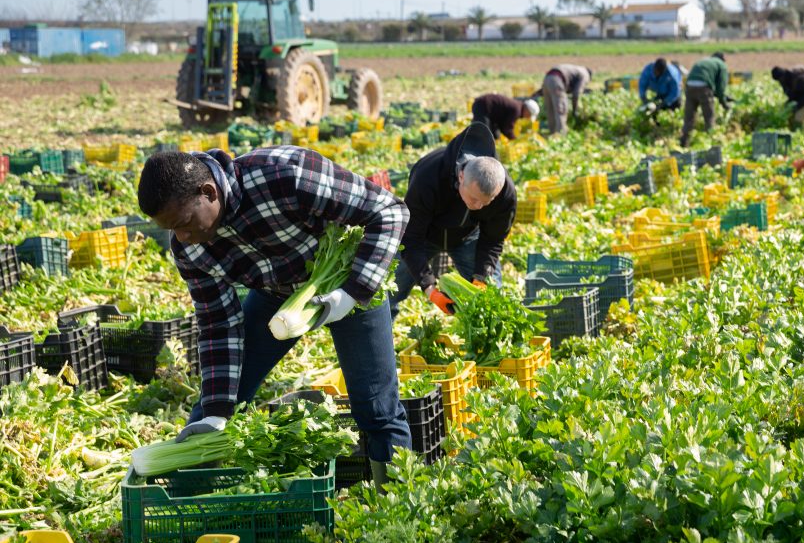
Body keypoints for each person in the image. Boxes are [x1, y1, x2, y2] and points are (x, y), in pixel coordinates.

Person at [137, 146, 411, 490]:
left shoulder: (284, 175)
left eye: (184, 224)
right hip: (275, 293)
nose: (182, 237)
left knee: (376, 408)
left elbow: (389, 211)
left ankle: (397, 500)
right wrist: (217, 410)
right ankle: (190, 502)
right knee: (215, 408)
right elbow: (218, 323)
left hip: (346, 277)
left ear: (208, 193)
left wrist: (354, 290)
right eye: (171, 230)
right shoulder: (189, 248)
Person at [390, 122, 516, 318]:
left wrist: (482, 277)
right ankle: (381, 344)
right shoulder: (428, 177)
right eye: (473, 198)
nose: (478, 206)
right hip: (425, 235)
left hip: (468, 236)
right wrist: (430, 289)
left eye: (486, 202)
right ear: (461, 175)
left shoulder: (505, 194)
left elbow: (493, 239)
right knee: (389, 291)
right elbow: (411, 238)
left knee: (491, 300)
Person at [680, 52, 731, 148]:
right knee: (709, 117)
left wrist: (719, 95)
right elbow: (721, 87)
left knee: (689, 118)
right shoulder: (721, 65)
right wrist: (724, 103)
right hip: (704, 88)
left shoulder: (704, 61)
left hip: (689, 86)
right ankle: (711, 143)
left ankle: (684, 143)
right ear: (723, 59)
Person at [541, 64, 591, 135]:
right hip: (557, 80)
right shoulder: (585, 75)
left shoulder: (577, 69)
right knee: (561, 110)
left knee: (551, 110)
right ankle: (561, 136)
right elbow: (576, 94)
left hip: (547, 78)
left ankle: (552, 135)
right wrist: (575, 110)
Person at [471, 93, 540, 140]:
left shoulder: (517, 107)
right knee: (483, 134)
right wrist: (514, 139)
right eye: (529, 115)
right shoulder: (516, 110)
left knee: (494, 136)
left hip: (488, 111)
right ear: (527, 110)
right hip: (483, 106)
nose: (527, 118)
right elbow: (507, 129)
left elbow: (502, 125)